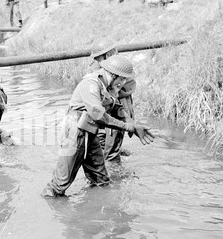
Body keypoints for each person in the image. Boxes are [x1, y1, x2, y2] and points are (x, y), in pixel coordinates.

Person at [41, 55, 154, 198]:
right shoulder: (91, 84)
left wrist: (134, 125)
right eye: (122, 79)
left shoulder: (109, 86)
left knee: (101, 180)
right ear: (113, 75)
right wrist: (127, 127)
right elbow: (99, 115)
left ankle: (96, 212)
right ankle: (51, 211)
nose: (123, 82)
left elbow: (117, 109)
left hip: (90, 132)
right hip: (74, 133)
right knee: (60, 183)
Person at [90, 38, 136, 163]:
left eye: (98, 58)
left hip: (117, 113)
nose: (97, 61)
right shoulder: (102, 72)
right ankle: (112, 167)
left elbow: (127, 86)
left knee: (110, 147)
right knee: (105, 145)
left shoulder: (119, 68)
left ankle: (113, 168)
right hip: (109, 115)